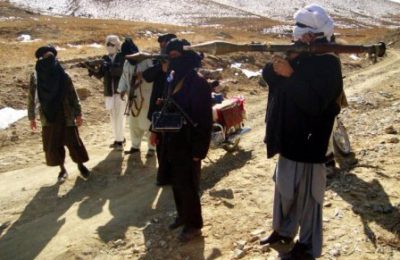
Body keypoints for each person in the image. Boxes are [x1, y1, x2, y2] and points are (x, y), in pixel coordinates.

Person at [259, 4, 343, 259]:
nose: (299, 37)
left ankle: (307, 245)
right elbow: (268, 76)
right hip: (287, 138)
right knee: (283, 190)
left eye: (305, 33)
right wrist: (286, 62)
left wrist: (291, 74)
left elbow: (316, 104)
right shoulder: (299, 55)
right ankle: (282, 230)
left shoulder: (329, 63)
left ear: (315, 35)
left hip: (310, 143)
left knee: (309, 199)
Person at [152, 39, 212, 241]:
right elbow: (163, 105)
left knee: (188, 184)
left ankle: (194, 224)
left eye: (176, 56)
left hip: (189, 142)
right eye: (170, 56)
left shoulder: (199, 83)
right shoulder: (171, 78)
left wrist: (199, 150)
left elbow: (205, 120)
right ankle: (182, 215)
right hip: (171, 139)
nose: (172, 60)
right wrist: (155, 131)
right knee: (176, 182)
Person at [28, 45, 90, 184]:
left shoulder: (63, 74)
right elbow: (31, 97)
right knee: (53, 144)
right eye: (46, 57)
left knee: (74, 142)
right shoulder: (36, 77)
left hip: (66, 113)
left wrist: (78, 113)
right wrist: (31, 117)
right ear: (40, 59)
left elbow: (72, 95)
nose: (49, 60)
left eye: (51, 57)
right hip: (48, 115)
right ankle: (62, 170)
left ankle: (81, 165)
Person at [143, 33, 177, 185]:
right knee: (159, 143)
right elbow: (147, 76)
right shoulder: (158, 61)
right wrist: (160, 68)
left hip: (175, 108)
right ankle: (163, 175)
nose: (162, 47)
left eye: (165, 45)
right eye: (161, 45)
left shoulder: (179, 61)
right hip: (158, 108)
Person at [117, 38, 155, 157]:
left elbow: (153, 75)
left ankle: (151, 148)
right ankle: (135, 146)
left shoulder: (146, 60)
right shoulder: (127, 63)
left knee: (148, 122)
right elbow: (124, 76)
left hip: (146, 97)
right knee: (134, 123)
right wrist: (122, 89)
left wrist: (142, 77)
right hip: (132, 97)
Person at [90, 35, 126, 151]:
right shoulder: (105, 58)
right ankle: (118, 138)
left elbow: (119, 72)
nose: (110, 47)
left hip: (120, 92)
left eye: (112, 44)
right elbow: (100, 74)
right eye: (108, 44)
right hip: (109, 92)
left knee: (119, 116)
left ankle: (120, 141)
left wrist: (108, 66)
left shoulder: (121, 57)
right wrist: (91, 69)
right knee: (113, 116)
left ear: (117, 45)